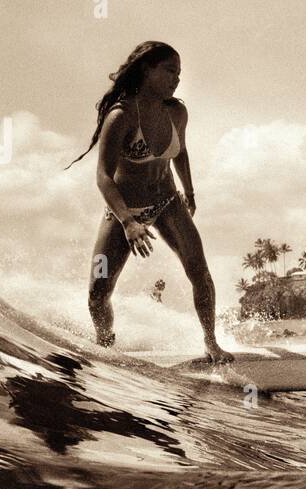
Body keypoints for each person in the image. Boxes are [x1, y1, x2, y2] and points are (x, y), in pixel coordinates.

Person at [66, 41, 232, 363]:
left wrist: (190, 193)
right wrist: (128, 221)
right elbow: (103, 176)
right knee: (98, 292)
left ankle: (212, 344)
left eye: (179, 73)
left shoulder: (177, 112)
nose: (177, 79)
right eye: (170, 71)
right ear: (146, 69)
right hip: (125, 211)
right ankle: (105, 343)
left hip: (167, 200)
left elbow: (180, 152)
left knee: (199, 271)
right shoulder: (122, 116)